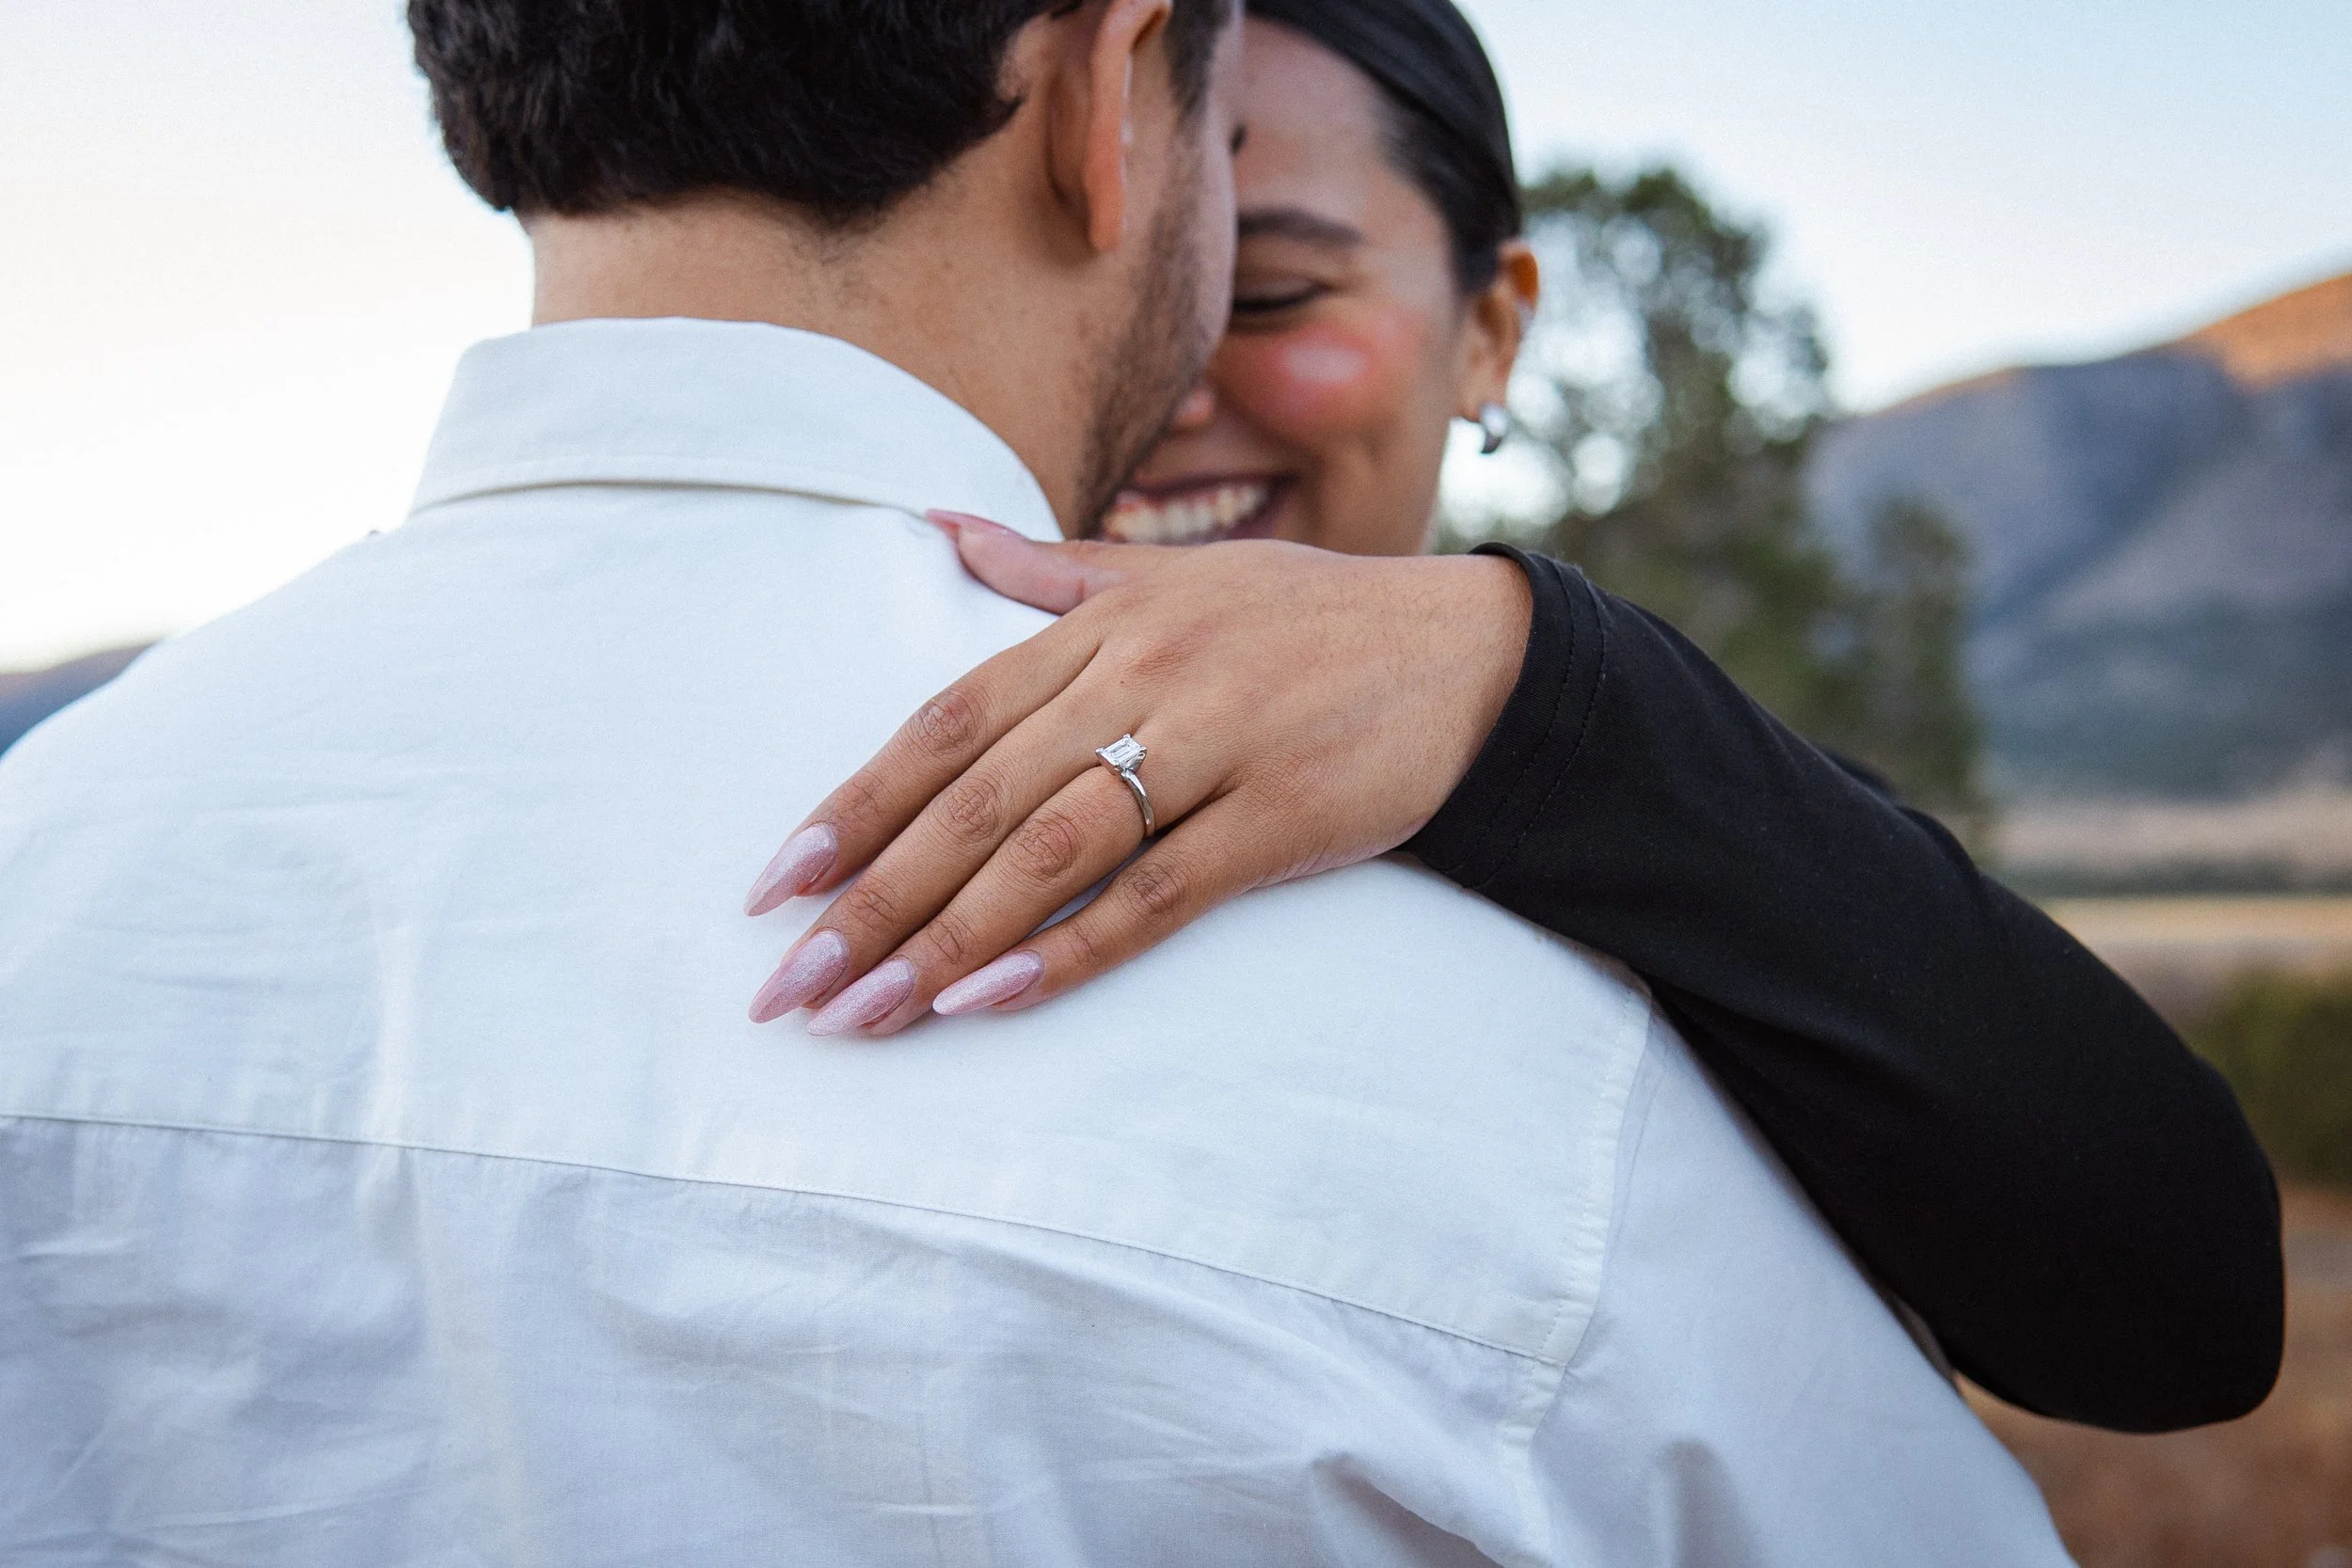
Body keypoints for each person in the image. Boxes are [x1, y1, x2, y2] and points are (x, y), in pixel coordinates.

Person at [0, 2, 2076, 1561]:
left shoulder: (45, 861)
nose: (1198, 390)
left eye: (1291, 290)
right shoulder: (1543, 1105)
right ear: (1113, 92)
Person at [740, 0, 2284, 1435]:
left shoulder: (1681, 815)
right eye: (1125, 279)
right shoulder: (826, 756)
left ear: (1490, 329)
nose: (1173, 377)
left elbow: (2188, 1303)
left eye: (1271, 292)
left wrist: (1533, 680)